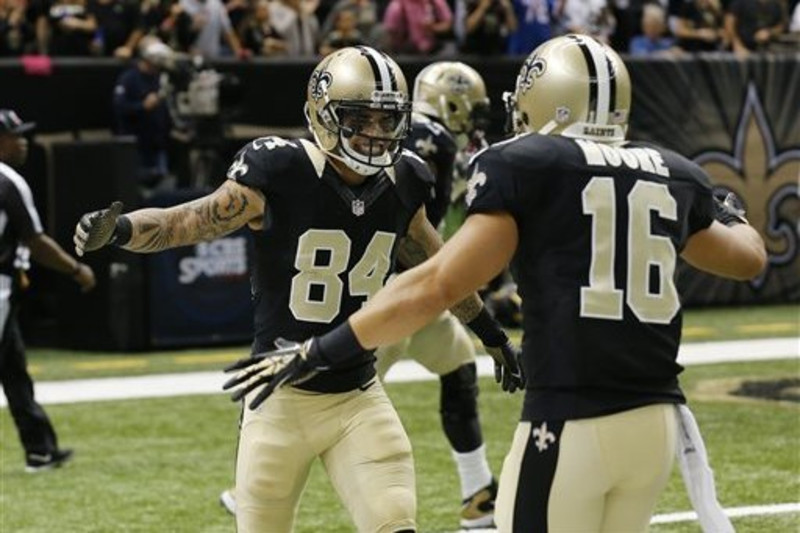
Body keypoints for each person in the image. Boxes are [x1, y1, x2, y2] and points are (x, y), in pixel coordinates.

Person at [221, 35, 768, 532]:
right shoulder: (672, 171)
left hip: (570, 415)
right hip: (657, 423)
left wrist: (321, 348)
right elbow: (747, 260)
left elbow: (436, 282)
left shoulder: (524, 162)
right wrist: (726, 208)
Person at [73, 46, 521, 533]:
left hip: (358, 394)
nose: (375, 133)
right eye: (360, 118)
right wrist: (118, 232)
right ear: (324, 114)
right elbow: (186, 221)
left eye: (386, 119)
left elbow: (442, 272)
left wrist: (490, 332)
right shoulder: (280, 169)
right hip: (278, 402)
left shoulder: (405, 177)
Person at [378, 61, 498, 530]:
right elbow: (419, 230)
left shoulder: (396, 126)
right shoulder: (437, 141)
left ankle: (478, 493)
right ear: (452, 100)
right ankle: (255, 491)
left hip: (410, 287)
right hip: (395, 290)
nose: (473, 119)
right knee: (337, 404)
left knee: (459, 365)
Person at [0, 108, 96, 473]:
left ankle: (39, 449)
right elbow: (36, 242)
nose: (23, 141)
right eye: (16, 135)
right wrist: (76, 269)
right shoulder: (8, 180)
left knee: (13, 369)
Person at [112, 36, 174, 191]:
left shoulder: (161, 78)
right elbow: (119, 107)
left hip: (158, 146)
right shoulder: (129, 78)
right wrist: (142, 106)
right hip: (137, 147)